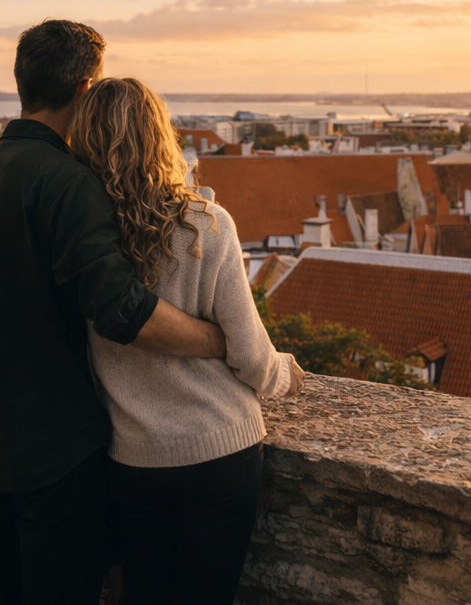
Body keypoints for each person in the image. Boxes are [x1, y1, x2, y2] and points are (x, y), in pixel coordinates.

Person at [0, 20, 229, 605]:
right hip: (54, 455)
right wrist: (219, 341)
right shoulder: (67, 183)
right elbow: (124, 311)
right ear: (86, 88)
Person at [71, 76, 305, 605]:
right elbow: (249, 351)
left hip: (134, 454)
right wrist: (284, 373)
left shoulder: (84, 239)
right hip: (220, 447)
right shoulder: (206, 226)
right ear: (160, 136)